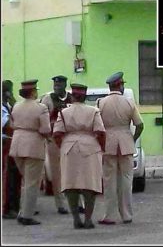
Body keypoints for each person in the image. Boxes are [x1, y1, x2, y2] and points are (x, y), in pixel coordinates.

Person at [53, 83, 106, 229]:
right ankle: (88, 219)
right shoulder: (93, 111)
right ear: (84, 96)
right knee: (90, 185)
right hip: (90, 146)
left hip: (69, 146)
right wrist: (102, 148)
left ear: (72, 96)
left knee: (71, 185)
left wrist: (63, 147)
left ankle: (76, 218)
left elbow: (57, 133)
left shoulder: (64, 112)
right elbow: (100, 132)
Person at [97, 72, 144, 225]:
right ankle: (126, 215)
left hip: (108, 142)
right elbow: (139, 125)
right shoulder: (129, 102)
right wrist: (133, 138)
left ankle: (109, 215)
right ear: (120, 85)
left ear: (110, 86)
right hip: (125, 141)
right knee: (126, 180)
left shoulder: (101, 103)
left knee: (109, 181)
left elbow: (97, 126)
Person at [9, 79, 51, 225]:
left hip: (17, 144)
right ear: (33, 92)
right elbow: (45, 129)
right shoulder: (41, 107)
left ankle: (23, 211)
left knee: (26, 181)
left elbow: (12, 124)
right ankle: (26, 215)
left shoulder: (16, 106)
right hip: (33, 145)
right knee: (32, 182)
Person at [40, 75, 71, 214]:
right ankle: (61, 204)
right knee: (57, 173)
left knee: (73, 171)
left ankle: (77, 202)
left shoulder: (71, 98)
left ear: (65, 85)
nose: (56, 87)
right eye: (55, 85)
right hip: (54, 139)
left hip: (70, 138)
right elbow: (43, 117)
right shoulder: (48, 99)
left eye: (59, 85)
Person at [2, 80, 21, 219]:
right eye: (10, 90)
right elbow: (9, 125)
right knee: (7, 178)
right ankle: (6, 208)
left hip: (11, 143)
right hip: (5, 144)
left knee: (15, 177)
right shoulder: (2, 108)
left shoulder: (7, 105)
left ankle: (16, 205)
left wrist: (13, 100)